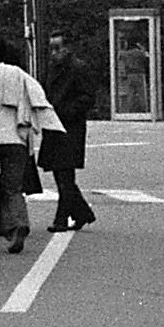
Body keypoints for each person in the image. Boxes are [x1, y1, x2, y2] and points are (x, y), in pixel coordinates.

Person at [0, 33, 63, 254]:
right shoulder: (17, 74)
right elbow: (37, 96)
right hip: (15, 139)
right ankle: (18, 224)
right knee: (12, 189)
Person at [38, 30, 97, 233]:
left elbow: (88, 96)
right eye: (51, 49)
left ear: (67, 48)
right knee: (61, 174)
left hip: (69, 127)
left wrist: (67, 111)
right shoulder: (53, 68)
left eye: (58, 48)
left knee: (64, 176)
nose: (54, 53)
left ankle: (61, 219)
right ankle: (82, 213)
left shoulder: (78, 68)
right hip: (55, 125)